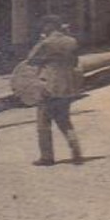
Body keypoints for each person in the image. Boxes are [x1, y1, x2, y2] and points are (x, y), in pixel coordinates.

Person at [25, 15, 84, 166]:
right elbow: (75, 61)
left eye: (44, 25)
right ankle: (76, 149)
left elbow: (30, 58)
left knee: (43, 123)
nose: (42, 28)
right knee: (65, 121)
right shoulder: (71, 41)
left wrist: (41, 43)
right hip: (67, 86)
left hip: (48, 87)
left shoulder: (46, 43)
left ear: (50, 26)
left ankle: (47, 157)